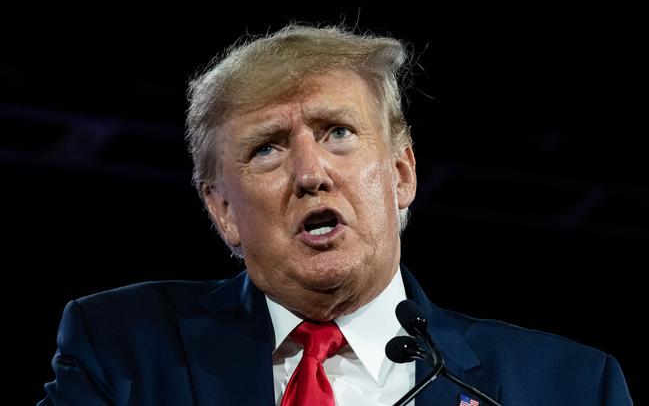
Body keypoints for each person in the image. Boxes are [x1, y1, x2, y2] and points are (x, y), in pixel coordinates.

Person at [38, 24, 633, 405]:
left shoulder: (568, 386)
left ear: (401, 174)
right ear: (223, 210)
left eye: (338, 132)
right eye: (266, 147)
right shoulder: (124, 350)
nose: (310, 172)